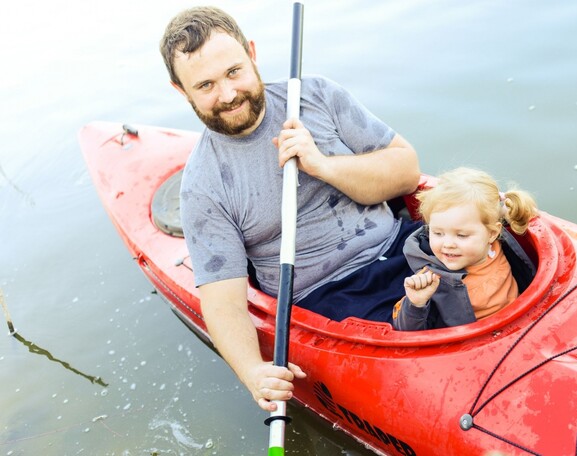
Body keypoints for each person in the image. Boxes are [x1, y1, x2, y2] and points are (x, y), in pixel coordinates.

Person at [159, 6, 421, 411]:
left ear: (252, 52)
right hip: (328, 301)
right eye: (206, 85)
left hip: (403, 248)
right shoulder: (203, 188)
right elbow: (224, 304)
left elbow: (406, 173)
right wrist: (253, 372)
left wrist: (324, 166)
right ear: (181, 90)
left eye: (233, 72)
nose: (227, 95)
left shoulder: (316, 96)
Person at [392, 167, 537, 330]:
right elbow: (404, 329)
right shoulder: (431, 279)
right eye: (438, 233)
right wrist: (416, 303)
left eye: (461, 236)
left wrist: (507, 210)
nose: (448, 244)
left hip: (520, 317)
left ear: (492, 234)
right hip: (481, 341)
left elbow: (499, 213)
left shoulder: (493, 235)